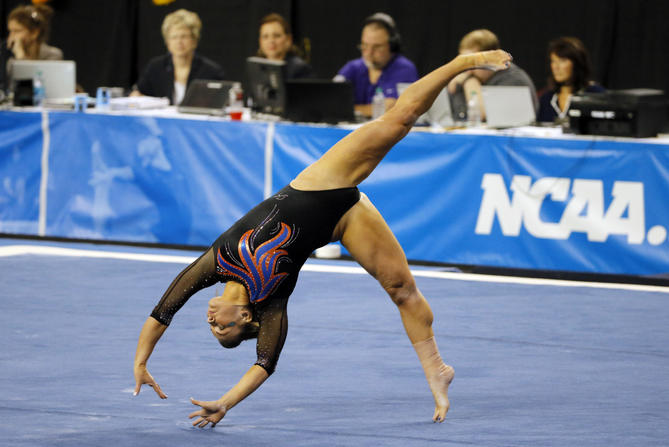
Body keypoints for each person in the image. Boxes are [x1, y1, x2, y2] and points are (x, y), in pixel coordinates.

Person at [133, 49, 513, 427]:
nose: (211, 320)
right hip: (343, 220)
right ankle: (437, 370)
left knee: (398, 121)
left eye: (213, 326)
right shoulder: (271, 303)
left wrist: (141, 361)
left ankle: (462, 62)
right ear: (246, 318)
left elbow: (164, 309)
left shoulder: (217, 263)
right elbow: (265, 364)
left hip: (319, 184)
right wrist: (226, 402)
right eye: (221, 327)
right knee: (401, 288)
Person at [132, 9, 225, 105]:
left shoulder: (211, 71)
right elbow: (138, 94)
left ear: (194, 40)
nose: (179, 42)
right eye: (174, 37)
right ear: (167, 42)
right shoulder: (155, 67)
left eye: (184, 36)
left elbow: (220, 104)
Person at [334, 12, 418, 117]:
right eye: (364, 45)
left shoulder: (404, 68)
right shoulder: (352, 67)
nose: (368, 53)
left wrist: (350, 109)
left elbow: (393, 109)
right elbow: (331, 103)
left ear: (392, 46)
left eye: (377, 47)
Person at [448, 29, 537, 122]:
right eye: (464, 62)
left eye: (472, 62)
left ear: (491, 58)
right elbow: (459, 117)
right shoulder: (469, 78)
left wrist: (470, 81)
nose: (467, 69)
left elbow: (481, 117)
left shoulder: (514, 80)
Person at [536, 36, 605, 123]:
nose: (556, 67)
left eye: (562, 60)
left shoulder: (596, 95)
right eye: (553, 61)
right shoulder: (546, 99)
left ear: (577, 63)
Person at [1, 3, 62, 94]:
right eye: (10, 31)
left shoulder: (53, 55)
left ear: (34, 33)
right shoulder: (11, 61)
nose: (11, 37)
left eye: (17, 31)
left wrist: (21, 57)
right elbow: (15, 93)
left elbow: (35, 89)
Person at [256, 12, 313, 79]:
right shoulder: (259, 69)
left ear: (288, 39)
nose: (271, 41)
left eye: (277, 36)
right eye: (265, 37)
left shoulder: (300, 69)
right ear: (260, 41)